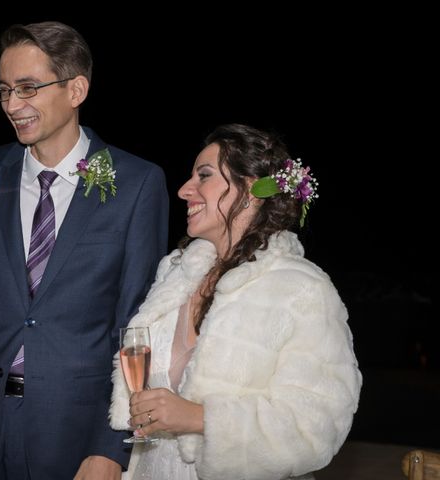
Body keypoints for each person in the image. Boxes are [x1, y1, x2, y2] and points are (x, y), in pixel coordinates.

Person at [0, 21, 169, 480]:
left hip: (72, 428)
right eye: (4, 91)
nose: (13, 105)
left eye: (28, 88)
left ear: (76, 89)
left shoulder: (137, 183)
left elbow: (136, 326)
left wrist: (111, 448)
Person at [109, 123, 362, 480]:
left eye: (205, 176)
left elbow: (318, 425)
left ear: (251, 190)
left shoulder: (302, 290)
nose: (184, 190)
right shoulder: (176, 274)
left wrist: (200, 418)